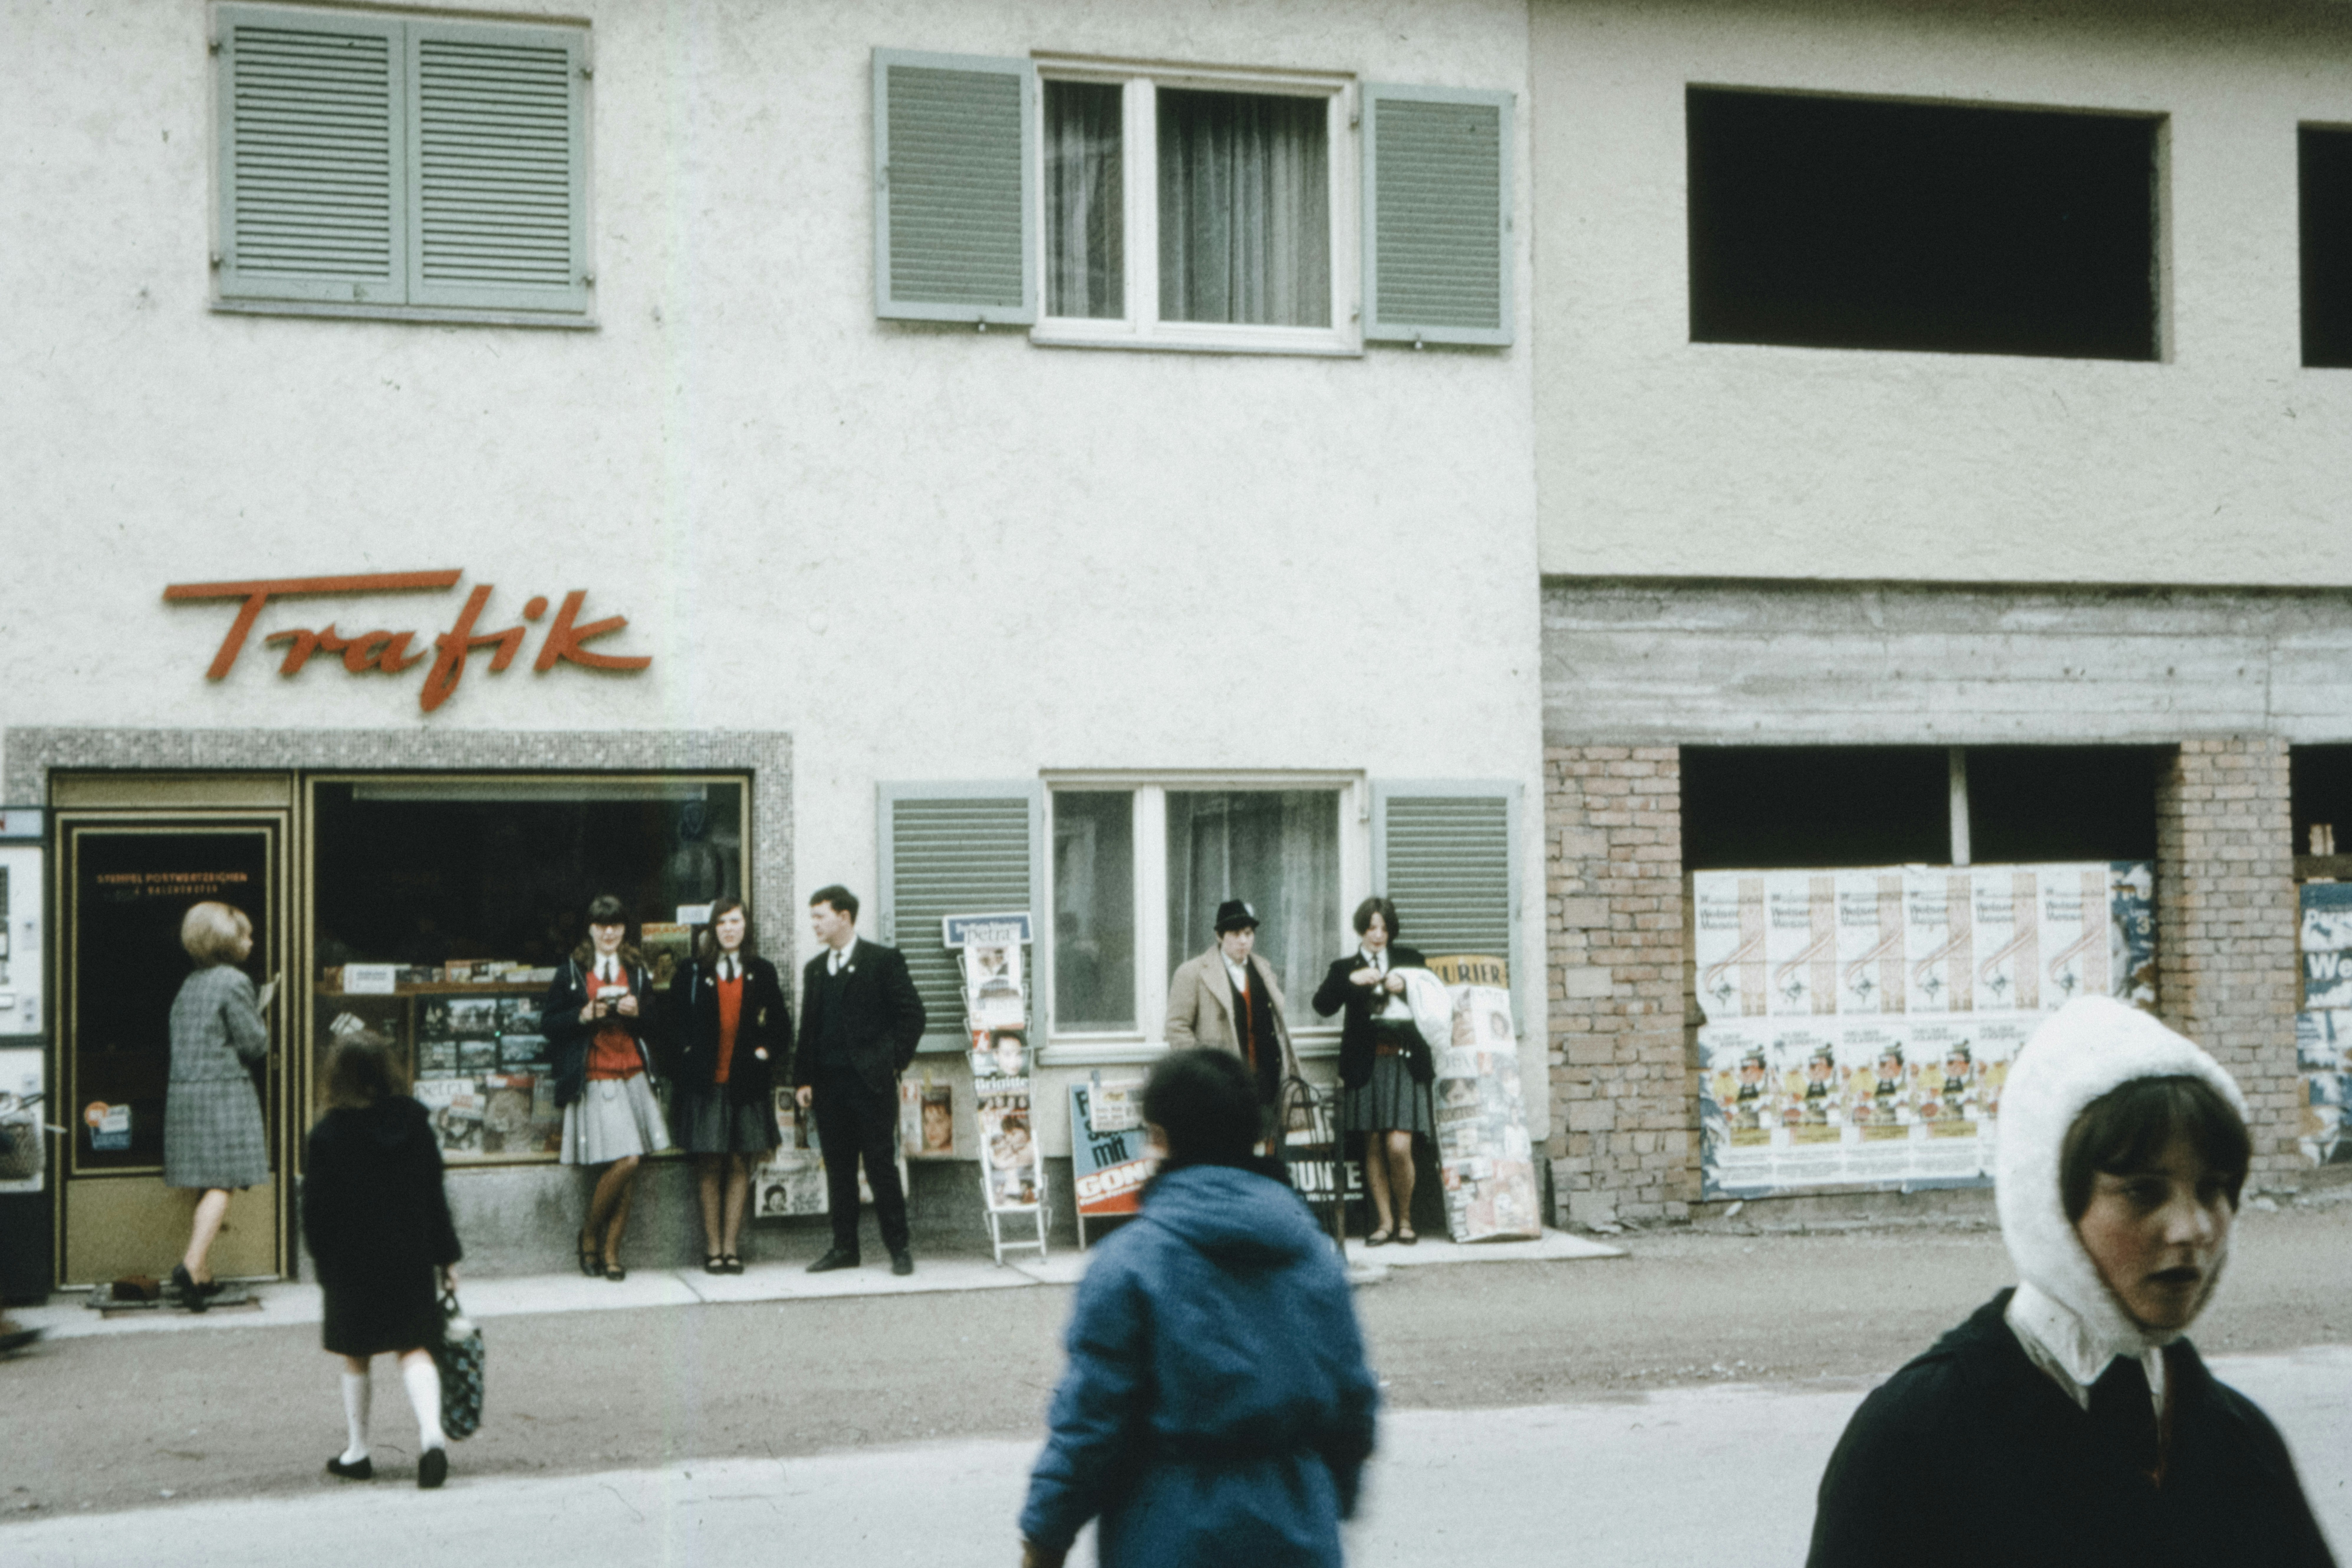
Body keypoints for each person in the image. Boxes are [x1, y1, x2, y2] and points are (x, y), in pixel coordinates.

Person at [1807, 996, 2336, 1568]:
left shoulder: (2239, 1441)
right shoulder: (1913, 1440)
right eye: (2141, 1190)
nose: (2191, 1227)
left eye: (2212, 1186)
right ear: (2049, 1201)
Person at [1018, 1048, 1379, 1568]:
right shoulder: (1311, 1252)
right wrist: (1327, 1501)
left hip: (1168, 1535)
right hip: (1298, 1531)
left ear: (1160, 1138)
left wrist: (1044, 1540)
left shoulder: (1128, 1263)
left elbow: (1090, 1424)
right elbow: (1353, 1405)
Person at [300, 1031, 463, 1490]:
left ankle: (358, 1450)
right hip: (408, 1255)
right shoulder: (414, 1120)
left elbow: (314, 1210)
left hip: (351, 1262)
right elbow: (435, 1194)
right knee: (414, 1347)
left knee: (357, 1356)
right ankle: (432, 1437)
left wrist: (323, 1263)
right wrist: (447, 1255)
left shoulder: (328, 1133)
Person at [792, 885, 927, 1275]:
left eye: (820, 915)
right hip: (828, 1088)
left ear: (845, 917)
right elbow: (808, 1029)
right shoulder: (815, 969)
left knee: (880, 1166)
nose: (814, 923)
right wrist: (803, 1078)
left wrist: (890, 1062)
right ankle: (844, 1248)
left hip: (870, 1086)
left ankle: (899, 1249)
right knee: (838, 1170)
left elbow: (913, 1016)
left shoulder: (882, 961)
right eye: (813, 916)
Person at [541, 895, 669, 1281]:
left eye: (615, 925)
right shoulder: (571, 970)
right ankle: (590, 1236)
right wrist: (582, 1014)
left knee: (626, 1161)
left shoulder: (637, 968)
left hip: (633, 1071)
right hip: (597, 1071)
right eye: (601, 925)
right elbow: (549, 1024)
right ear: (591, 930)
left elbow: (658, 1024)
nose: (608, 932)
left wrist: (639, 1013)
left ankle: (611, 1251)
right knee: (627, 1158)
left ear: (624, 929)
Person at [668, 898, 789, 1274]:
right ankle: (713, 1248)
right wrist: (687, 1056)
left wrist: (765, 1054)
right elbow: (672, 1024)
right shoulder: (690, 971)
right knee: (709, 1163)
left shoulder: (762, 971)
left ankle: (732, 1248)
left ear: (746, 926)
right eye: (721, 922)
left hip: (745, 1083)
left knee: (739, 1162)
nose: (728, 929)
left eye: (735, 921)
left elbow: (781, 1025)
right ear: (711, 928)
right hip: (706, 1084)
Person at [163, 900, 271, 1310]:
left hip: (187, 1091)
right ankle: (192, 1265)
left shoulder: (191, 983)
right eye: (245, 934)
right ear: (227, 942)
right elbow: (254, 1044)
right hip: (222, 1091)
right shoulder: (233, 981)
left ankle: (204, 1269)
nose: (252, 940)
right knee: (223, 1180)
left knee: (207, 1179)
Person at [1313, 896, 1435, 1247]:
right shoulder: (1344, 968)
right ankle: (1383, 1223)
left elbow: (1436, 1001)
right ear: (1361, 929)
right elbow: (1321, 1006)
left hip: (1404, 1062)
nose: (1378, 935)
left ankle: (1407, 1219)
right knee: (1373, 1146)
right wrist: (1351, 980)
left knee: (1399, 1145)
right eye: (1371, 928)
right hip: (1365, 1065)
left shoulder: (1410, 961)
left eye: (1384, 928)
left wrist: (1408, 985)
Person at [1164, 899, 1301, 1146]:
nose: (1243, 941)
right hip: (1222, 1088)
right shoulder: (1193, 972)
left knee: (1266, 1155)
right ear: (1219, 935)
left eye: (1248, 933)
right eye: (1235, 933)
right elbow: (1176, 1028)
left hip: (1266, 1084)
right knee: (1227, 1155)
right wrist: (1206, 1071)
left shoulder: (1263, 970)